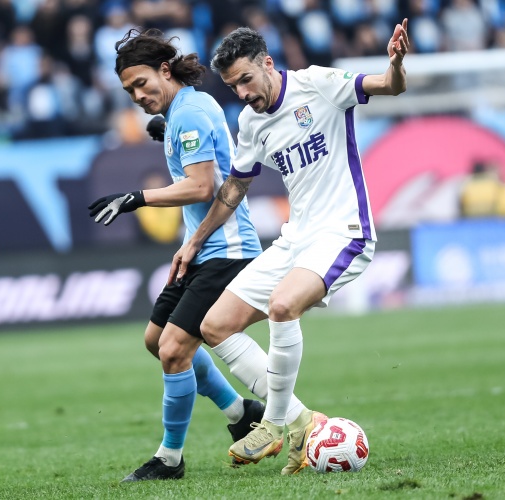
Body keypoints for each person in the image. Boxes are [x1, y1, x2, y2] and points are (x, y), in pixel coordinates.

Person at [169, 21, 410, 471]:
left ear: (268, 63)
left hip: (343, 232)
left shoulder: (317, 84)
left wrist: (395, 63)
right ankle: (301, 422)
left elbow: (389, 85)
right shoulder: (250, 122)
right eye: (232, 86)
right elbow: (234, 189)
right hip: (295, 238)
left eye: (246, 79)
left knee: (282, 306)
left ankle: (273, 424)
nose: (242, 93)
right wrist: (193, 242)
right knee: (215, 325)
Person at [87, 28, 310, 482]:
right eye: (129, 91)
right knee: (157, 342)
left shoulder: (187, 114)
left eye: (142, 83)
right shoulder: (184, 109)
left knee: (174, 350)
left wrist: (136, 198)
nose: (137, 95)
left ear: (164, 70)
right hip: (201, 249)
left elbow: (202, 186)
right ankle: (240, 413)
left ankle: (170, 458)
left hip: (225, 250)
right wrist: (167, 129)